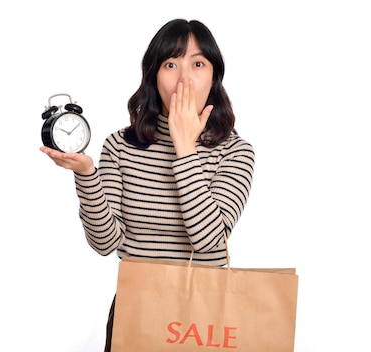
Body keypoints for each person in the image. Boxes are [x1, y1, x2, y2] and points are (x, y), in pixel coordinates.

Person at [40, 18, 255, 351]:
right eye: (171, 64)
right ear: (155, 76)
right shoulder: (120, 145)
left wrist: (185, 147)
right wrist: (85, 174)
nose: (184, 78)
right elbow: (104, 242)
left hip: (206, 324)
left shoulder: (236, 151)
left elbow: (209, 240)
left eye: (198, 63)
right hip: (137, 311)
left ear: (214, 77)